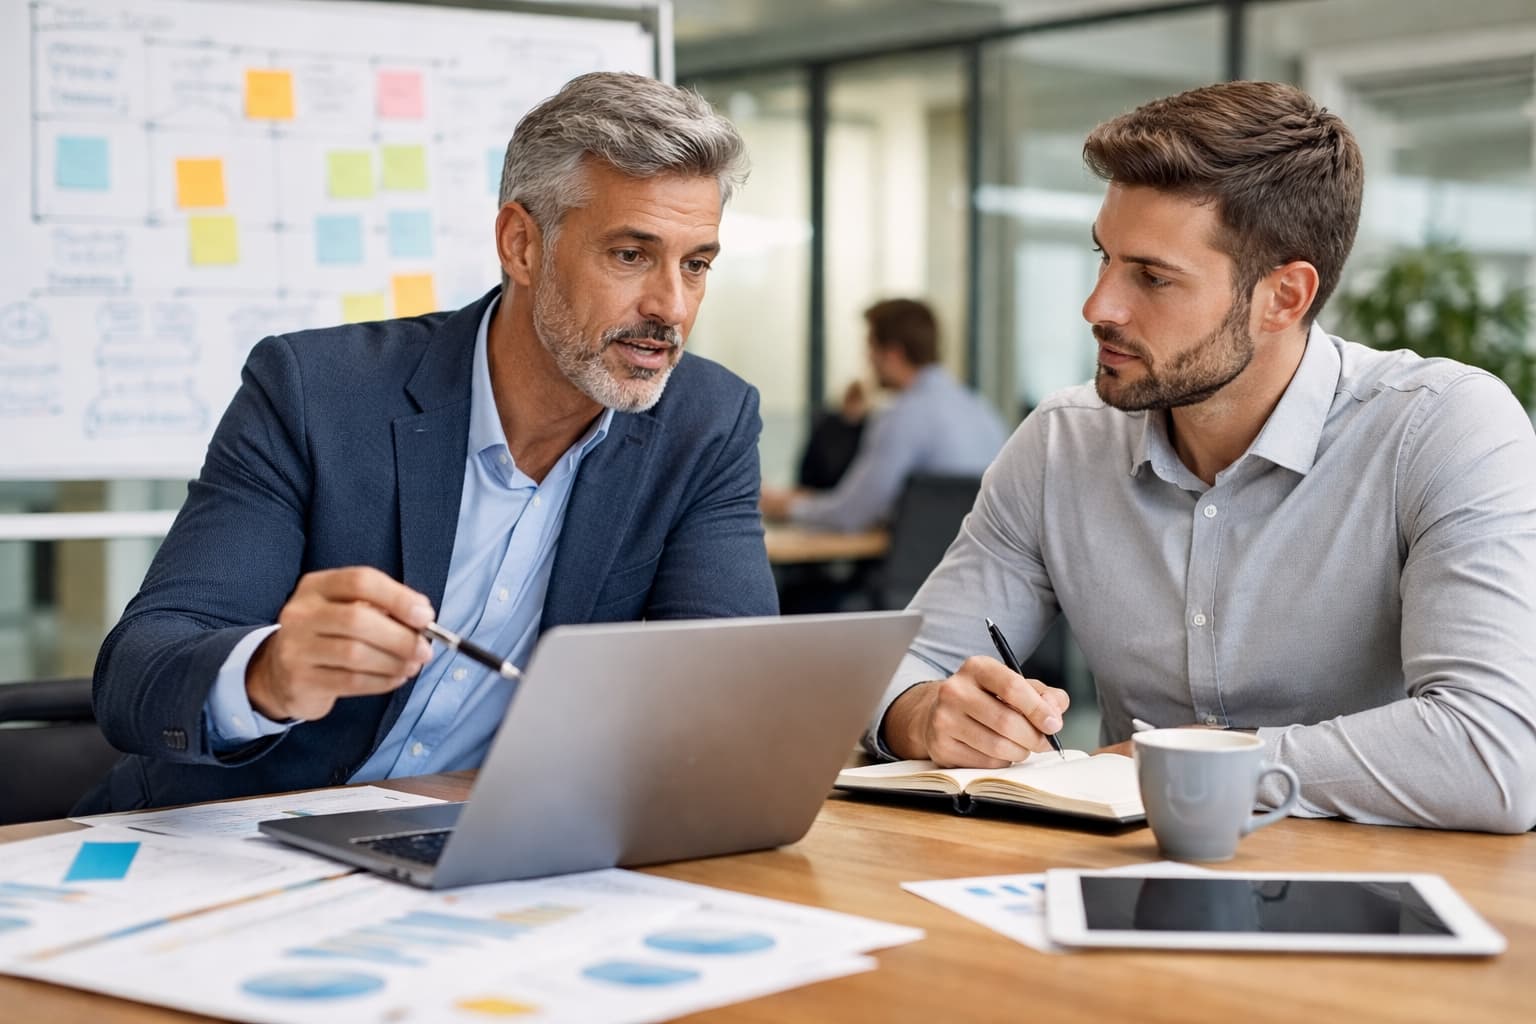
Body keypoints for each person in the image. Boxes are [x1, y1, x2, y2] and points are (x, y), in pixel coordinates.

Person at [78, 72, 779, 813]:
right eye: (631, 255)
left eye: (696, 264)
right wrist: (270, 674)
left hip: (492, 841)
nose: (670, 305)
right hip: (227, 836)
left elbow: (729, 696)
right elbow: (137, 671)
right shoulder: (316, 392)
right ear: (521, 245)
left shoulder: (709, 421)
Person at [868, 80, 1536, 833]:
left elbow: (1492, 751)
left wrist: (1183, 763)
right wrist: (924, 714)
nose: (1099, 307)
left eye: (1151, 277)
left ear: (1284, 297)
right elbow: (900, 667)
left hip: (1388, 896)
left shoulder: (1443, 428)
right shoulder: (1062, 442)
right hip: (1123, 885)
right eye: (1104, 259)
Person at [761, 299, 1008, 532]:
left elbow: (851, 514)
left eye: (870, 349)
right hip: (966, 571)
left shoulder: (902, 416)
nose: (867, 360)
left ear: (892, 354)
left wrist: (783, 506)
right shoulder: (984, 412)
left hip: (910, 575)